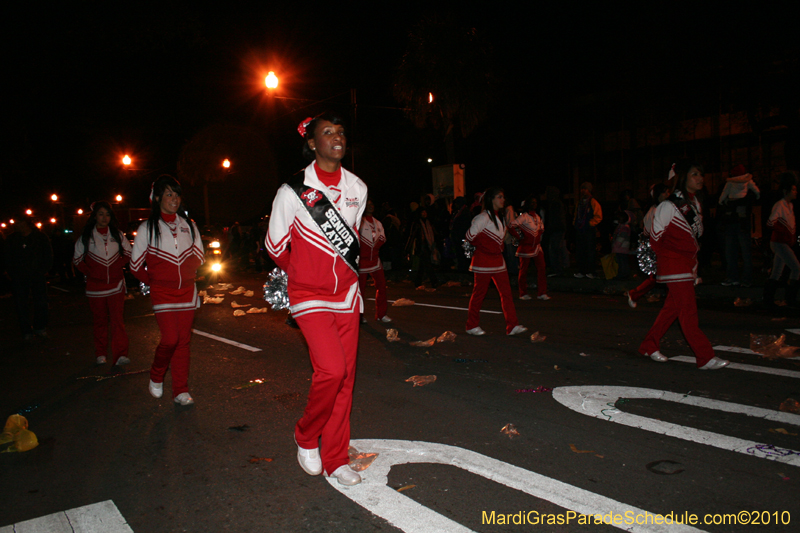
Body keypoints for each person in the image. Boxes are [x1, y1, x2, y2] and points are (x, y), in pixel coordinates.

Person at [266, 112, 367, 486]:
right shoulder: (292, 191)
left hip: (347, 295)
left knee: (345, 380)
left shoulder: (358, 187)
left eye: (341, 131)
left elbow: (351, 244)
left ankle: (337, 459)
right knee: (332, 370)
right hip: (309, 295)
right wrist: (304, 274)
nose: (337, 137)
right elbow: (275, 245)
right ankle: (306, 435)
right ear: (312, 143)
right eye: (328, 132)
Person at [638, 160, 729, 370]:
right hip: (674, 266)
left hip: (685, 265)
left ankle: (649, 345)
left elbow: (692, 243)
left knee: (672, 309)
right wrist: (668, 262)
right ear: (684, 178)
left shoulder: (695, 205)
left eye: (701, 175)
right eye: (695, 174)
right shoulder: (668, 205)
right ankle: (705, 356)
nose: (700, 179)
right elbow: (655, 238)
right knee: (688, 311)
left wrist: (693, 269)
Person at [130, 175, 204, 405]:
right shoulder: (147, 228)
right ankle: (157, 373)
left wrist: (188, 275)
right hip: (162, 293)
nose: (174, 198)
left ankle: (181, 391)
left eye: (177, 194)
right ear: (158, 197)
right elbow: (135, 266)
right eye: (169, 194)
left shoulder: (189, 226)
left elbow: (199, 256)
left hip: (187, 292)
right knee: (170, 339)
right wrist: (156, 282)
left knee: (183, 342)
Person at [72, 201, 132, 366]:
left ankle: (120, 354)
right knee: (99, 321)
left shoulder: (118, 235)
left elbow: (128, 253)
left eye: (107, 214)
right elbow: (77, 259)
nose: (104, 218)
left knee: (117, 320)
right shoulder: (86, 237)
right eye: (101, 214)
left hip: (116, 286)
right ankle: (101, 353)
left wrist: (117, 265)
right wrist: (91, 272)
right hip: (95, 288)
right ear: (94, 216)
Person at [464, 187, 528, 336]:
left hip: (498, 261)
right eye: (499, 197)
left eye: (503, 197)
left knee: (506, 294)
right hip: (483, 262)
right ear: (491, 199)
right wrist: (486, 246)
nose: (502, 200)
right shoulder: (482, 218)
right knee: (479, 294)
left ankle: (512, 325)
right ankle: (471, 325)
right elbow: (469, 236)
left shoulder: (499, 217)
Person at [4, 215, 53, 340]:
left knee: (41, 302)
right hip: (19, 277)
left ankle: (39, 327)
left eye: (19, 222)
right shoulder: (12, 239)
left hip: (37, 275)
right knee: (21, 303)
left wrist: (43, 270)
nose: (16, 225)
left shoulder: (40, 237)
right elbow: (7, 257)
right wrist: (11, 272)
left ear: (25, 224)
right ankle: (26, 330)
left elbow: (48, 254)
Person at [625, 183, 670, 308]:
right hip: (658, 248)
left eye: (668, 192)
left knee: (663, 277)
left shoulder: (665, 208)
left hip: (665, 248)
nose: (667, 194)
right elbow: (648, 231)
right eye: (664, 192)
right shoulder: (654, 210)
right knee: (659, 277)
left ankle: (635, 294)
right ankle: (635, 294)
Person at [719, 164, 760, 287]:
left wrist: (724, 202)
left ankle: (733, 277)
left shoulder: (730, 183)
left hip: (731, 219)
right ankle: (746, 279)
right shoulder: (748, 182)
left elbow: (723, 195)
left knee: (731, 251)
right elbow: (756, 193)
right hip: (742, 219)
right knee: (745, 252)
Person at [764, 172, 799, 308]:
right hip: (779, 242)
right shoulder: (780, 205)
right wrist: (783, 232)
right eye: (793, 190)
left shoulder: (790, 206)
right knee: (796, 268)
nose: (796, 192)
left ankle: (768, 300)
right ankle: (789, 299)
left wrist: (792, 236)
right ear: (786, 191)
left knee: (777, 271)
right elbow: (770, 222)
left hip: (783, 242)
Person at [509, 195, 550, 300]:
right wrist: (518, 236)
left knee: (542, 269)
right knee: (523, 271)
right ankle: (522, 293)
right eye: (531, 202)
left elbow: (541, 230)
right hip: (525, 248)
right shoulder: (523, 217)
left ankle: (542, 293)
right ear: (527, 205)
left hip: (536, 247)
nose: (534, 204)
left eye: (535, 203)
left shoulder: (537, 217)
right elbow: (510, 225)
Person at [358, 199, 391, 323]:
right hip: (361, 263)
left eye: (372, 204)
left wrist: (373, 246)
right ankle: (359, 316)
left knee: (381, 287)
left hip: (376, 261)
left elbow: (383, 238)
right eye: (368, 204)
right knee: (360, 290)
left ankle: (381, 314)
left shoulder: (378, 223)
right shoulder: (358, 222)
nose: (370, 206)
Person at [573, 182, 602, 278]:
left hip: (589, 230)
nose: (583, 191)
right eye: (582, 189)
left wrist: (589, 224)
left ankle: (591, 271)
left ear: (589, 190)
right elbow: (576, 215)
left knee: (590, 251)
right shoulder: (579, 202)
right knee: (580, 251)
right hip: (580, 230)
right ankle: (581, 271)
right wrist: (575, 224)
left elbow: (598, 216)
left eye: (585, 189)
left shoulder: (593, 202)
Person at [405, 207, 439, 288]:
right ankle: (434, 281)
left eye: (425, 212)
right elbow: (412, 236)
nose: (424, 214)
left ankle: (418, 282)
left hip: (428, 246)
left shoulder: (428, 223)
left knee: (422, 265)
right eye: (422, 212)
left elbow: (433, 234)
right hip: (421, 246)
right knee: (427, 264)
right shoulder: (417, 223)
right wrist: (407, 248)